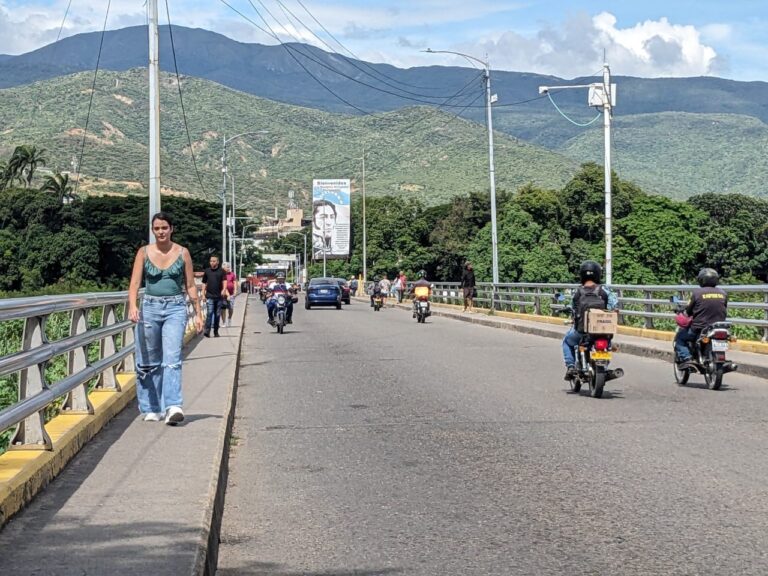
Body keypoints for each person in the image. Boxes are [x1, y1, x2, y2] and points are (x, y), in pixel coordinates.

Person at [128, 212, 203, 425]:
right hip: (150, 307)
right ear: (153, 230)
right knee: (148, 362)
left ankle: (173, 406)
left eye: (164, 228)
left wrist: (198, 314)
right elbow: (134, 284)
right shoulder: (143, 253)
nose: (161, 232)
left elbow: (190, 285)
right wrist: (133, 306)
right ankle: (152, 407)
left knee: (172, 360)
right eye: (157, 228)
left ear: (172, 229)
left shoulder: (182, 253)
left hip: (175, 307)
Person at [562, 261, 618, 380]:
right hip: (602, 331)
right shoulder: (604, 291)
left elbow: (573, 308)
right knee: (607, 345)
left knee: (567, 341)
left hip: (582, 331)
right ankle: (604, 367)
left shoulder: (577, 292)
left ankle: (571, 366)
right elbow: (614, 306)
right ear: (598, 274)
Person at [674, 268, 728, 367]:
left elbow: (689, 311)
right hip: (718, 327)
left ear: (702, 280)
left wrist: (684, 312)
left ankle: (687, 358)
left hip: (700, 327)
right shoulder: (723, 293)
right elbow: (724, 308)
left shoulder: (697, 293)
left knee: (680, 338)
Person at [201, 255, 227, 338]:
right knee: (209, 313)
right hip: (209, 296)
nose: (212, 262)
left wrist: (224, 290)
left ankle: (216, 331)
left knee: (217, 314)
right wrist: (203, 294)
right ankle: (207, 331)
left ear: (218, 262)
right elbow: (204, 283)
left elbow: (224, 281)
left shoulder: (222, 271)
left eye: (214, 261)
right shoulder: (207, 271)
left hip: (219, 296)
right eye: (211, 261)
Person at [220, 262, 237, 328]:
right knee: (223, 309)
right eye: (227, 267)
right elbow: (223, 286)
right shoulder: (221, 275)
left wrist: (235, 290)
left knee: (231, 308)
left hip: (231, 294)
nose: (228, 268)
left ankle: (229, 319)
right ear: (223, 268)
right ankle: (224, 322)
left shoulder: (232, 274)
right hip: (224, 294)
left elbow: (235, 282)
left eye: (229, 267)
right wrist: (227, 295)